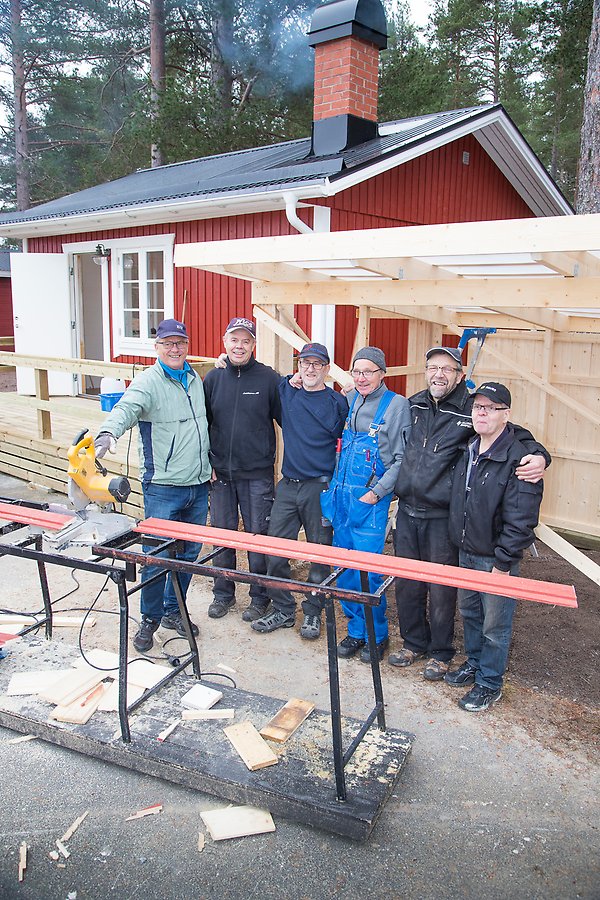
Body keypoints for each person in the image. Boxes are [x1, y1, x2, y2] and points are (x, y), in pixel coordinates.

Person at [391, 346, 550, 682]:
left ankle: (440, 652)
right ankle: (413, 642)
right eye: (433, 367)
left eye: (447, 369)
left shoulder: (470, 409)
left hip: (441, 516)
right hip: (407, 511)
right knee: (407, 584)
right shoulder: (415, 404)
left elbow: (512, 432)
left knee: (443, 588)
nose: (439, 374)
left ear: (460, 375)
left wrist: (539, 455)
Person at [95, 318, 211, 653]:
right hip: (163, 486)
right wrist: (108, 433)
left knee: (188, 555)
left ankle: (175, 611)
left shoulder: (194, 378)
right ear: (157, 348)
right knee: (157, 555)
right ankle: (150, 619)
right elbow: (126, 409)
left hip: (199, 484)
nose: (175, 349)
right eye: (168, 344)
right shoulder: (148, 381)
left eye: (180, 343)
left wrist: (210, 466)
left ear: (187, 346)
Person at [445, 382, 543, 711]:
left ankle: (489, 682)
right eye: (477, 407)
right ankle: (474, 663)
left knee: (495, 625)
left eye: (490, 408)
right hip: (466, 550)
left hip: (495, 558)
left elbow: (522, 520)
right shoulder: (469, 447)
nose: (481, 413)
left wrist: (503, 564)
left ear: (506, 415)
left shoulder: (521, 459)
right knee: (471, 614)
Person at [251, 342, 348, 640]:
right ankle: (282, 608)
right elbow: (260, 372)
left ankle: (313, 612)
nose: (310, 368)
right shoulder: (286, 390)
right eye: (305, 362)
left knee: (319, 553)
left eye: (317, 364)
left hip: (319, 488)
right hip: (288, 485)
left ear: (327, 369)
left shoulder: (337, 403)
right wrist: (219, 361)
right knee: (275, 549)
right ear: (298, 366)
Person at [321, 347, 411, 663]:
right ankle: (356, 631)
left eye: (368, 371)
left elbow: (402, 458)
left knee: (368, 571)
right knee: (343, 568)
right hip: (342, 500)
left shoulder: (397, 405)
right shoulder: (350, 400)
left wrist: (376, 493)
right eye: (357, 371)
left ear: (382, 374)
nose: (361, 377)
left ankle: (377, 634)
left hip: (369, 502)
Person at [203, 317, 281, 621]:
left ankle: (259, 597)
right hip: (220, 474)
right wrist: (205, 462)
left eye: (245, 341)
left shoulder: (268, 379)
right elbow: (202, 423)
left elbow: (287, 418)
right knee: (222, 536)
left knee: (257, 537)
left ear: (253, 345)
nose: (239, 346)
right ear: (225, 343)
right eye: (234, 340)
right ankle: (223, 594)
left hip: (257, 475)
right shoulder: (213, 379)